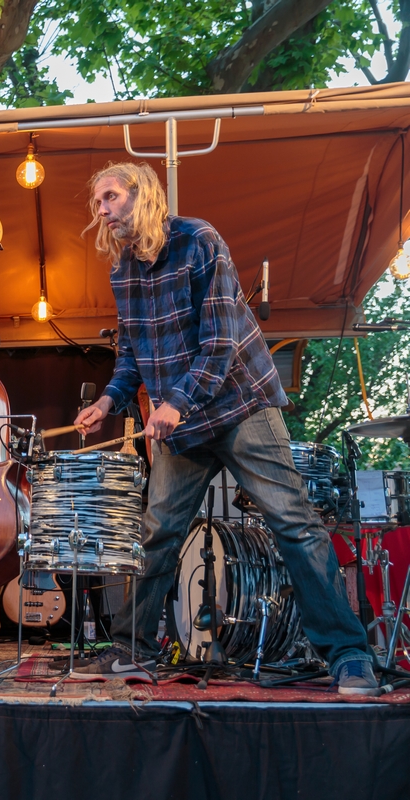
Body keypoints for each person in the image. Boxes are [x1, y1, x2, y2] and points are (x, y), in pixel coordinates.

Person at [69, 162, 379, 695]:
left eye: (110, 197)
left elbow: (220, 344)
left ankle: (349, 654)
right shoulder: (123, 272)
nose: (101, 211)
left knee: (295, 525)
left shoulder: (199, 241)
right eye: (97, 202)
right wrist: (109, 400)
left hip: (239, 408)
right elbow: (132, 356)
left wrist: (175, 404)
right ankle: (133, 650)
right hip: (181, 422)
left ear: (141, 195)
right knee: (158, 532)